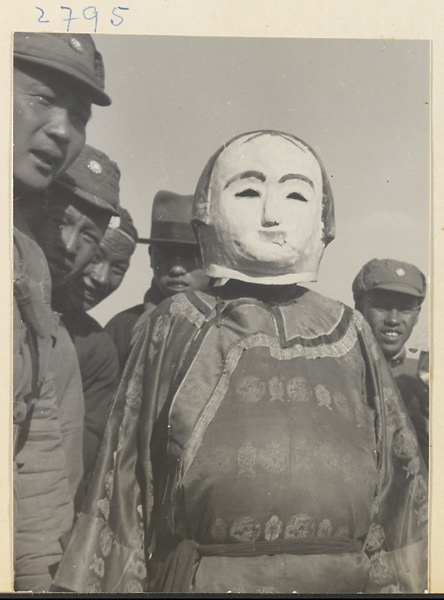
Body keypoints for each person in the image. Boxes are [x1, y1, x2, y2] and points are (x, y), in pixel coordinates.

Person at [54, 130, 427, 594]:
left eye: (294, 194)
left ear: (323, 218)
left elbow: (400, 486)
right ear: (207, 211)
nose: (271, 215)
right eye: (248, 192)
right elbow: (123, 472)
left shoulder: (353, 333)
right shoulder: (175, 322)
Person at [13, 33, 110, 591]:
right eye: (42, 98)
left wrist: (35, 579)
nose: (62, 130)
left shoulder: (24, 260)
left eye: (78, 116)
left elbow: (40, 448)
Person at [53, 203, 138, 488]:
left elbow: (82, 448)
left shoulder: (98, 349)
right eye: (95, 257)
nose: (101, 278)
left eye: (118, 268)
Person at [104, 191, 211, 371]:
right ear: (151, 256)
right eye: (166, 254)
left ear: (212, 259)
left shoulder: (229, 326)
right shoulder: (123, 327)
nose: (177, 269)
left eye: (191, 256)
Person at [352, 258, 429, 464]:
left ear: (417, 315)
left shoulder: (426, 380)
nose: (393, 320)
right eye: (382, 307)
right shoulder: (338, 372)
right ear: (359, 307)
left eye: (405, 309)